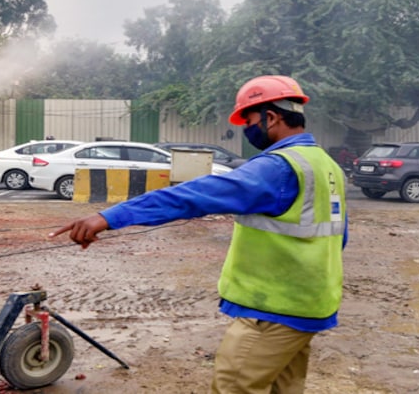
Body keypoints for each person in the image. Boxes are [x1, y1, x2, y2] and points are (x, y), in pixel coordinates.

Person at [51, 75, 348, 393]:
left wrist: (110, 216)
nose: (245, 130)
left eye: (247, 121)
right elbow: (337, 238)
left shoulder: (278, 168)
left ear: (271, 117)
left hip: (274, 310)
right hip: (311, 304)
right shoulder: (325, 165)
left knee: (233, 386)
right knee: (283, 388)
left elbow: (193, 195)